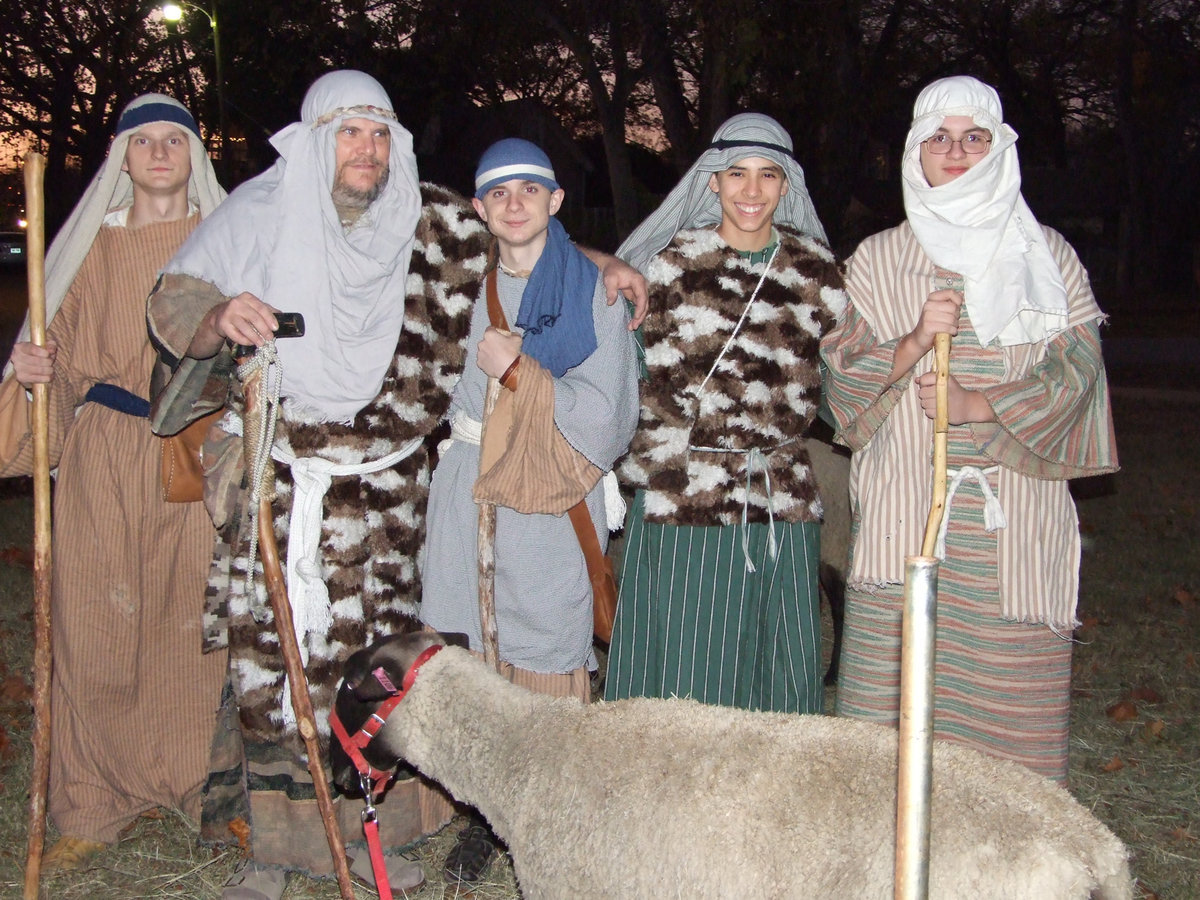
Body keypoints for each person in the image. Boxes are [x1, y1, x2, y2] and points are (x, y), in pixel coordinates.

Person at [146, 71, 647, 900]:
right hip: (290, 483)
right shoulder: (258, 212)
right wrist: (217, 319)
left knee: (384, 664)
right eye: (350, 132)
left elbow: (518, 233)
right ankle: (273, 848)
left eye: (380, 133)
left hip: (391, 495)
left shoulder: (423, 219)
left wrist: (603, 261)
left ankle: (377, 827)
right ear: (315, 138)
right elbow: (175, 305)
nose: (368, 150)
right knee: (277, 662)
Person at [820, 75, 1118, 782]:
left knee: (1006, 733)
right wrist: (913, 342)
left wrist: (979, 404)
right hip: (905, 523)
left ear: (999, 149)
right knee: (891, 731)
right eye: (940, 139)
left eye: (973, 138)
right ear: (915, 152)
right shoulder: (877, 260)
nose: (955, 153)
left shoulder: (1048, 255)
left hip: (1012, 524)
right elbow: (839, 385)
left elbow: (1079, 375)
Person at [0, 94, 226, 870]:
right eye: (143, 141)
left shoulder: (224, 242)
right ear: (121, 159)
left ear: (194, 156)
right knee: (94, 620)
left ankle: (194, 784)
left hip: (195, 450)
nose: (159, 153)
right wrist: (35, 371)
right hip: (103, 454)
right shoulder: (89, 249)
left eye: (175, 140)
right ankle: (91, 801)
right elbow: (57, 358)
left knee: (190, 621)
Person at [419, 138, 639, 883]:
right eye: (498, 193)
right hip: (467, 481)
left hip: (550, 491)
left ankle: (550, 811)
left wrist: (518, 368)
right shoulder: (456, 287)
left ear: (555, 201)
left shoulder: (594, 295)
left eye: (530, 190)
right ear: (479, 209)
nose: (515, 204)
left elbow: (607, 416)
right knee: (471, 635)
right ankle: (481, 816)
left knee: (543, 635)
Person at [605, 113, 848, 716]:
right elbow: (626, 368)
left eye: (768, 174)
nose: (751, 189)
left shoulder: (817, 274)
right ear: (711, 180)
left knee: (775, 664)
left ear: (786, 185)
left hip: (777, 494)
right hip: (683, 494)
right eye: (736, 173)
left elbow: (844, 381)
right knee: (685, 667)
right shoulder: (666, 266)